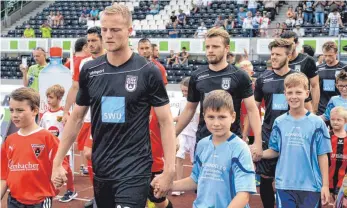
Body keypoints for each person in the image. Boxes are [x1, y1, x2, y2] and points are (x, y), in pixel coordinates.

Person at [51, 4, 176, 207]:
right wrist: (57, 161)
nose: (108, 35)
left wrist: (169, 169)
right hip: (102, 168)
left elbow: (165, 121)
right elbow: (76, 118)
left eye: (115, 30)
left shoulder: (148, 71)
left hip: (135, 168)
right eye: (104, 29)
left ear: (129, 31)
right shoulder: (90, 70)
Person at [174, 28, 263, 162]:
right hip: (204, 140)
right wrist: (173, 135)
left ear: (226, 48)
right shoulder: (197, 76)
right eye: (208, 46)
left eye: (215, 46)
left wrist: (258, 140)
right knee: (201, 182)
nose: (210, 50)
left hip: (231, 141)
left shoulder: (240, 76)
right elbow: (190, 109)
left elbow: (252, 109)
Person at [164, 90, 256, 207]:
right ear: (204, 117)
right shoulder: (202, 145)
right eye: (211, 117)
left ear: (233, 117)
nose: (216, 123)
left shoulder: (240, 148)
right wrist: (169, 185)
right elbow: (195, 179)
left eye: (222, 117)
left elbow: (243, 194)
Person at [254, 39, 312, 208]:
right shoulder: (262, 79)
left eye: (278, 54)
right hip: (268, 134)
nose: (273, 57)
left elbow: (308, 109)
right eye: (272, 54)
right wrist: (251, 136)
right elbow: (254, 109)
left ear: (288, 56)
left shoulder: (297, 78)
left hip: (293, 135)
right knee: (265, 178)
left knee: (290, 175)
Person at [262, 72, 331, 207]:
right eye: (290, 92)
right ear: (285, 94)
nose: (294, 96)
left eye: (298, 92)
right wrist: (259, 154)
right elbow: (275, 150)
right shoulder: (279, 122)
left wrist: (325, 185)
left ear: (307, 93)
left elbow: (322, 155)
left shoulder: (317, 123)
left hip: (311, 186)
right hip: (285, 185)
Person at [0, 87, 64, 207]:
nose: (14, 115)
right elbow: (4, 176)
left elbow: (60, 165)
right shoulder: (9, 141)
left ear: (34, 110)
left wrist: (59, 175)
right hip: (14, 201)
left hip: (39, 201)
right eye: (12, 110)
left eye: (20, 110)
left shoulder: (47, 138)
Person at [64, 27, 104, 208]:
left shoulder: (111, 59)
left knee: (99, 155)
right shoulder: (84, 63)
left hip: (108, 117)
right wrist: (66, 111)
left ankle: (105, 194)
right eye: (89, 41)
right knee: (88, 155)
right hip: (87, 117)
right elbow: (75, 87)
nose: (91, 44)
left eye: (94, 40)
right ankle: (98, 194)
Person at [137, 38, 173, 208]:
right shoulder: (134, 67)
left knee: (156, 194)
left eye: (146, 48)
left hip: (154, 114)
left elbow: (162, 96)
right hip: (139, 114)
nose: (144, 51)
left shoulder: (158, 68)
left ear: (151, 50)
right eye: (141, 48)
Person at [39, 84, 77, 203]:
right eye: (48, 97)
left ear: (59, 98)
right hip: (50, 149)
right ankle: (51, 190)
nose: (49, 100)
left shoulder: (64, 114)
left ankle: (70, 190)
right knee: (49, 170)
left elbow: (70, 130)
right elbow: (42, 131)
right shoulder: (45, 115)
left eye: (51, 97)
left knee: (66, 170)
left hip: (63, 148)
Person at [281, 31, 320, 114]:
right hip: (282, 106)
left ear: (297, 43)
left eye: (290, 44)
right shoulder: (280, 61)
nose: (287, 47)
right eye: (284, 44)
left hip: (303, 106)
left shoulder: (307, 60)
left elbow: (315, 85)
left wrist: (314, 109)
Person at [172, 77, 199, 196]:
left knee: (196, 161)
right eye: (182, 91)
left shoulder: (198, 102)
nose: (184, 93)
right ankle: (178, 185)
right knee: (179, 157)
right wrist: (170, 119)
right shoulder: (182, 102)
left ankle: (198, 184)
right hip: (183, 133)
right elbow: (181, 117)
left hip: (195, 134)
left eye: (186, 91)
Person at [317, 41, 347, 115]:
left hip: (339, 108)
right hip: (321, 108)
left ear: (336, 53)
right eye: (325, 55)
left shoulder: (344, 67)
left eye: (330, 55)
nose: (327, 58)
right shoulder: (319, 68)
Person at [327, 107, 347, 204]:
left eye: (339, 120)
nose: (335, 122)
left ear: (345, 121)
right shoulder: (327, 136)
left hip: (343, 182)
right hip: (327, 181)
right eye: (333, 119)